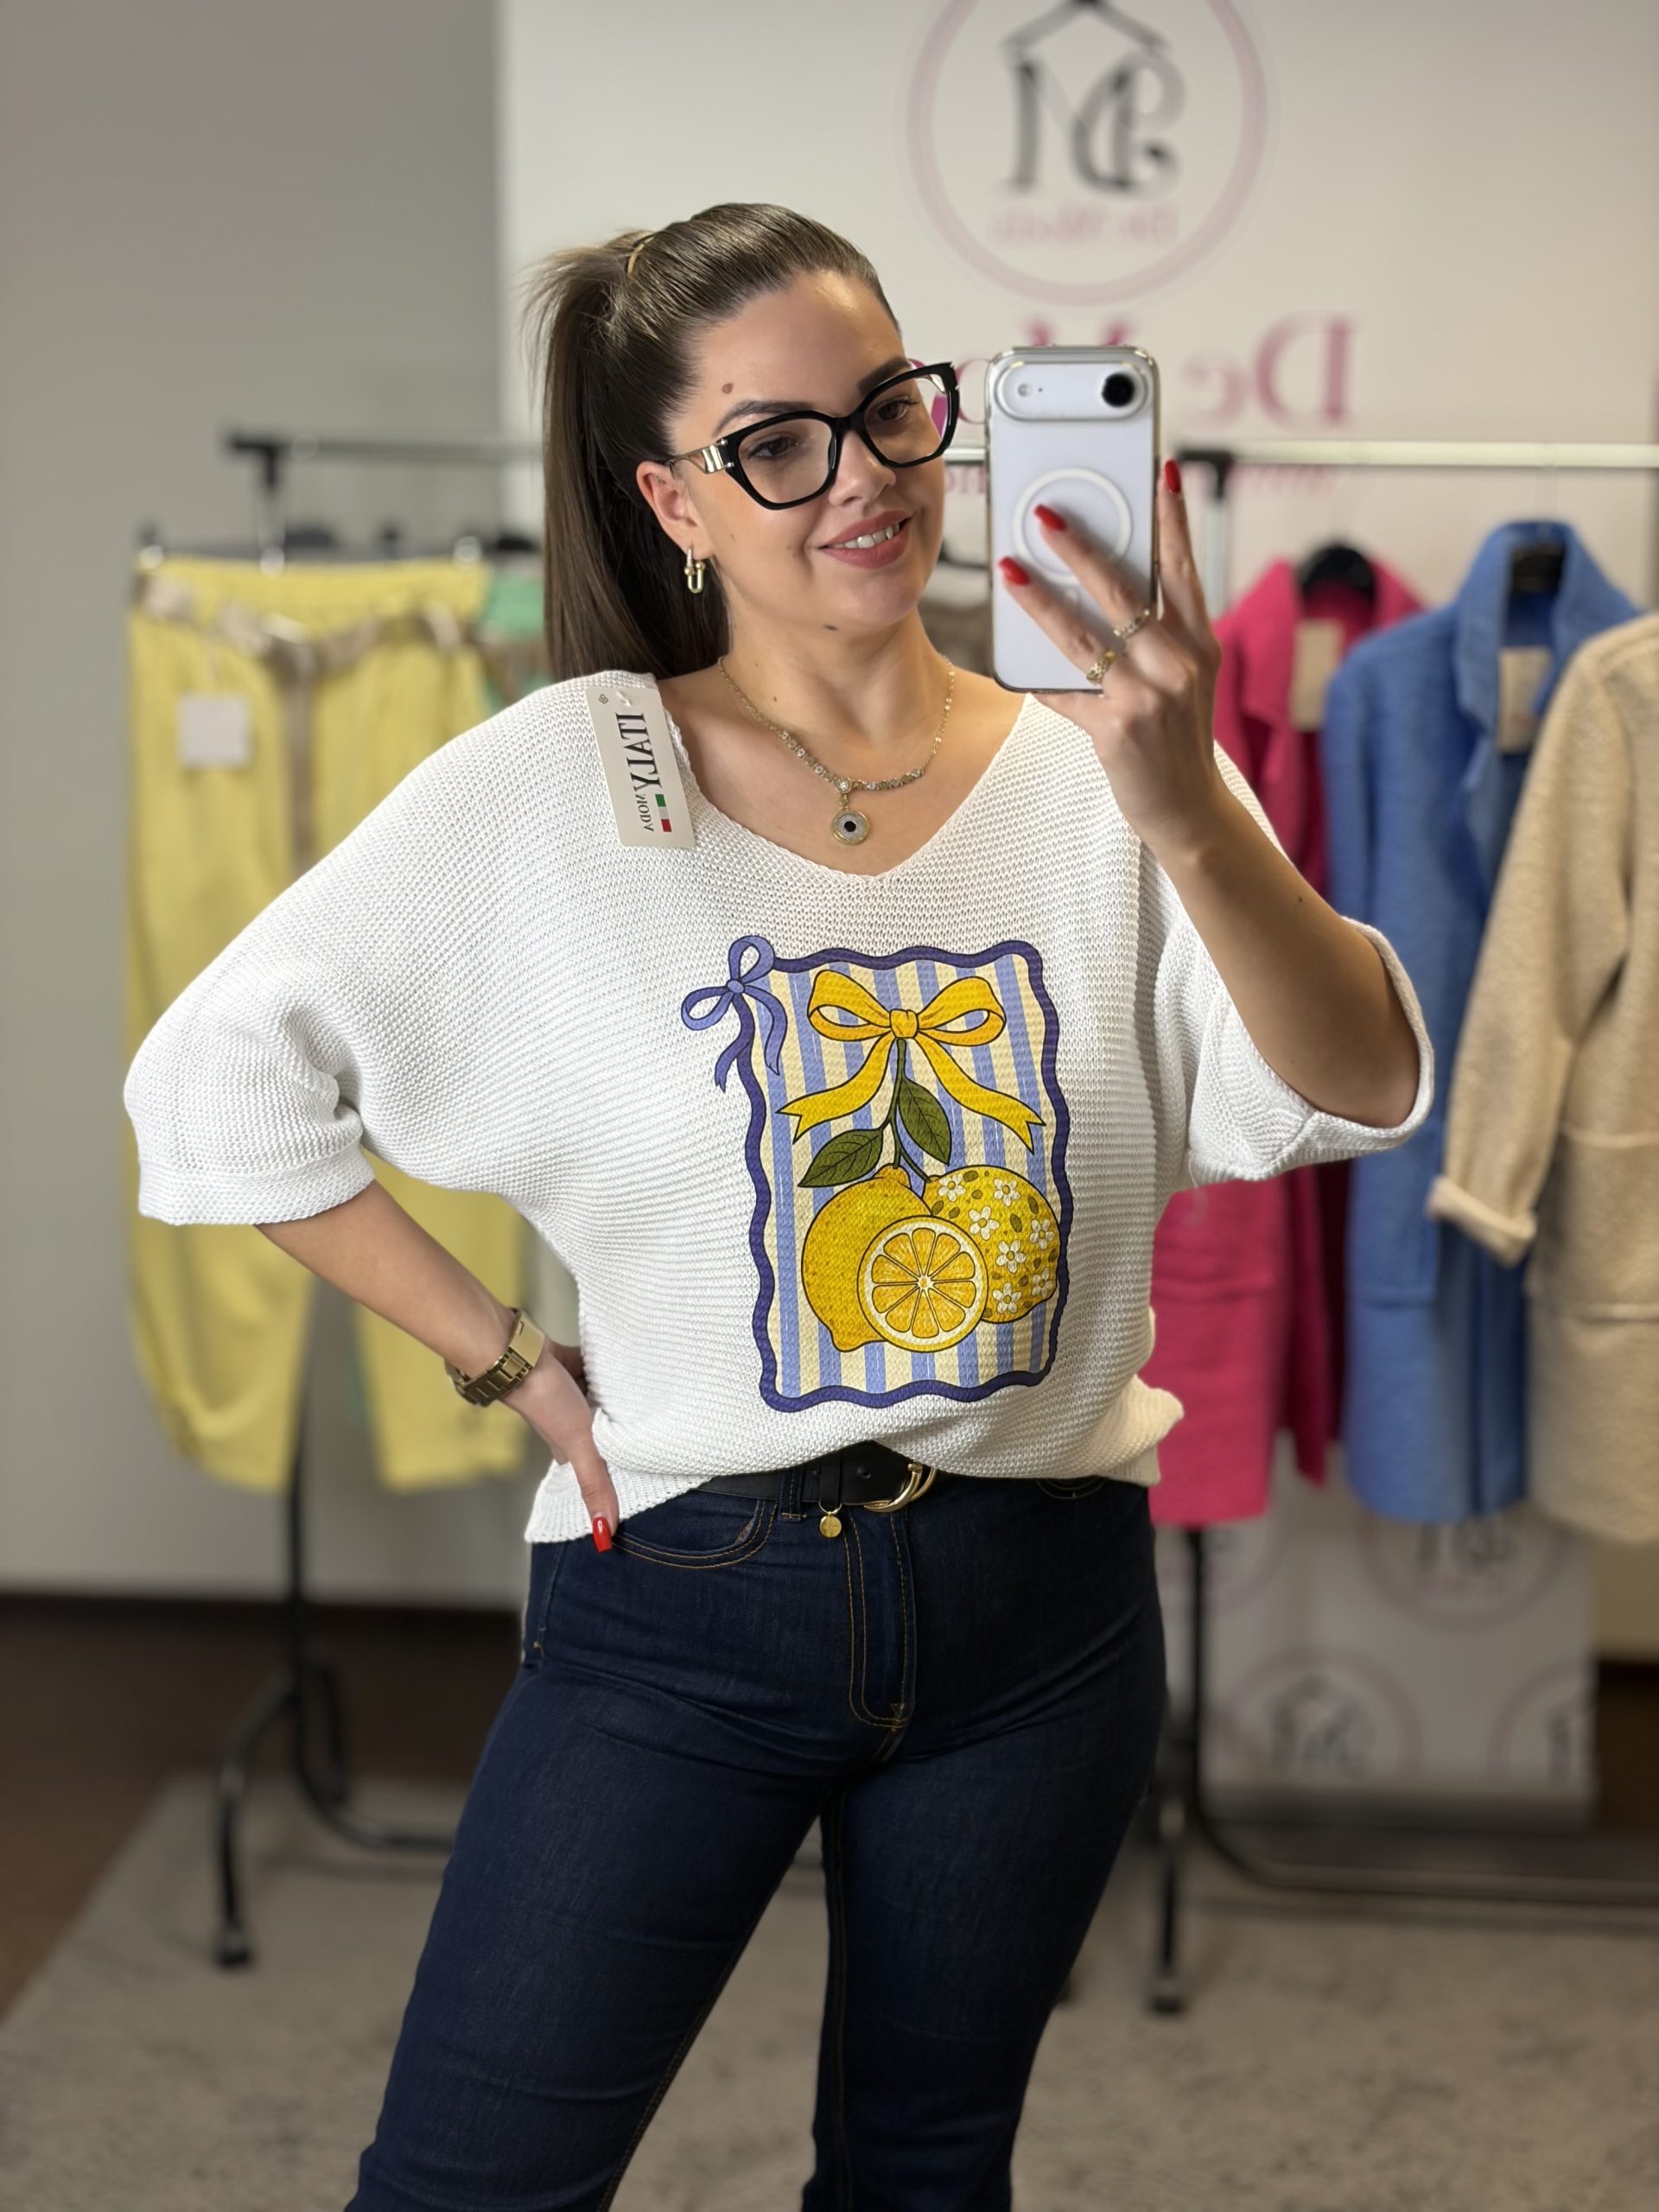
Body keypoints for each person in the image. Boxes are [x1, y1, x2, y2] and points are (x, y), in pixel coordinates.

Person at [124, 201, 1431, 2210]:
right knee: (468, 2185)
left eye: (892, 409)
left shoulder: (1109, 767)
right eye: (777, 443)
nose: (864, 478)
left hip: (1040, 1615)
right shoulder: (565, 780)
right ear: (674, 502)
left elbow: (1357, 1076)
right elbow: (217, 1074)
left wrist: (1183, 803)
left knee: (925, 2176)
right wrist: (502, 1353)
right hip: (681, 1608)